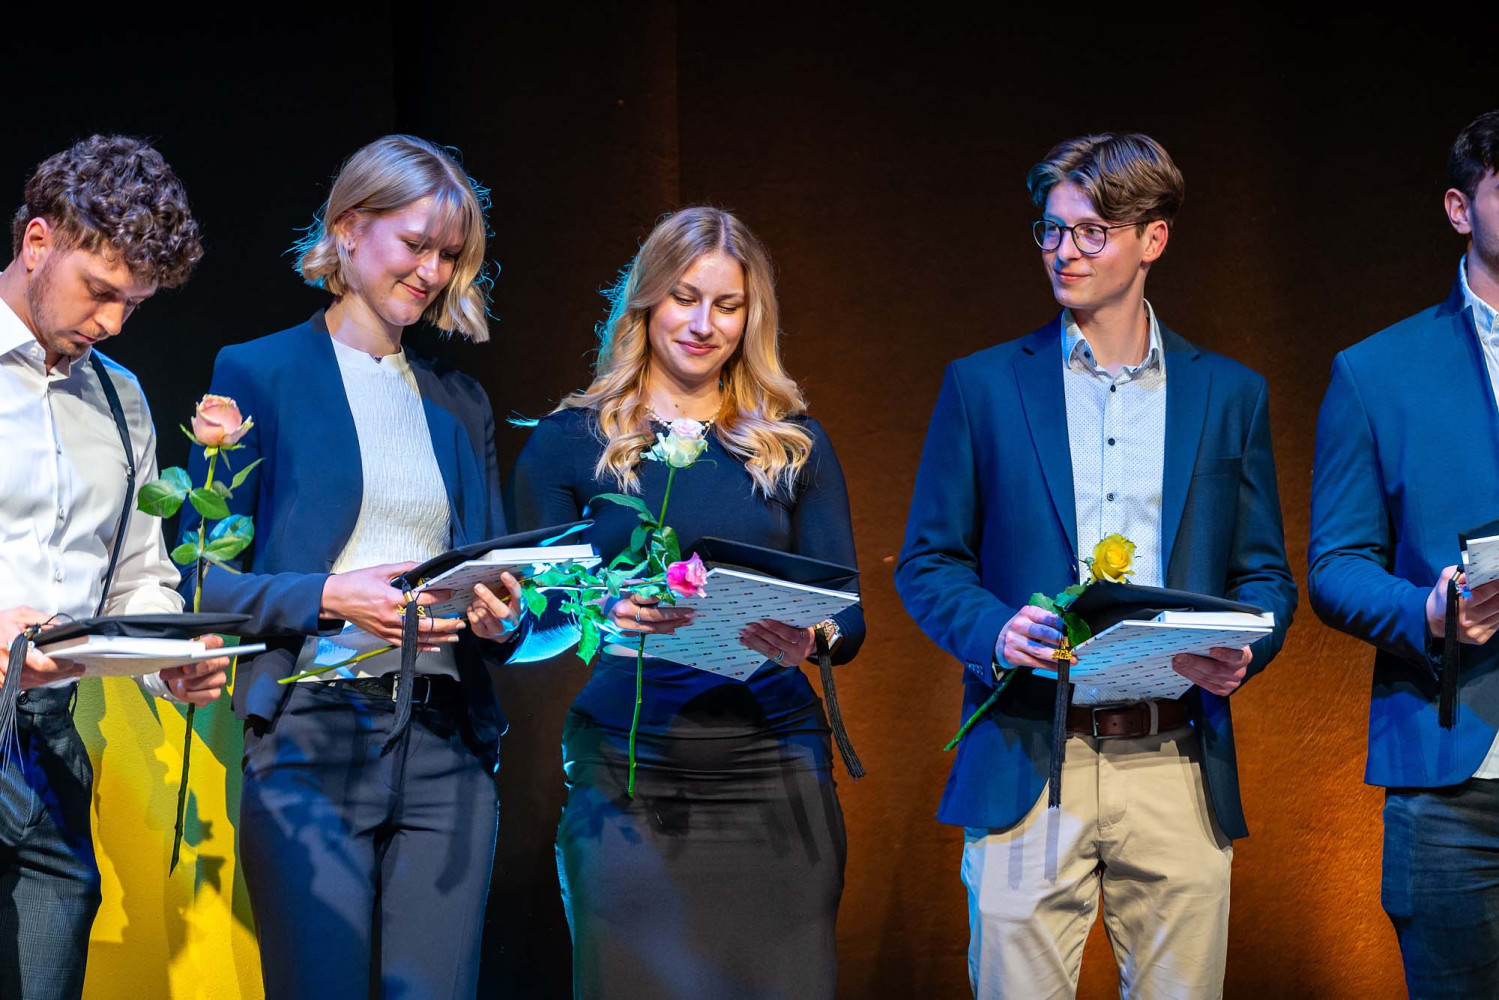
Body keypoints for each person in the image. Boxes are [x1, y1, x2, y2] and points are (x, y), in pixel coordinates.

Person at [895, 133, 1296, 998]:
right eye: (1050, 229)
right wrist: (994, 632)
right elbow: (927, 561)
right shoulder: (984, 385)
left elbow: (1264, 576)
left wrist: (1243, 651)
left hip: (1174, 756)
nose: (1062, 251)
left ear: (1152, 239)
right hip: (1028, 753)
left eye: (1090, 232)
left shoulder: (1228, 393)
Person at [180, 135, 524, 999]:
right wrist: (332, 596)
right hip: (312, 735)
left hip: (446, 742)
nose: (431, 271)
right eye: (415, 244)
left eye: (448, 255)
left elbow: (498, 569)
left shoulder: (460, 401)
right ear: (347, 230)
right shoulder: (256, 373)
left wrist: (503, 615)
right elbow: (200, 580)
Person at [511, 206, 864, 1000]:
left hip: (771, 760)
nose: (703, 324)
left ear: (751, 317)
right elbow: (528, 621)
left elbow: (846, 613)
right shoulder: (568, 441)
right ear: (646, 301)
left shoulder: (791, 441)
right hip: (629, 766)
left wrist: (810, 639)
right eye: (684, 298)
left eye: (727, 306)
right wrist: (599, 612)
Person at [0, 135, 227, 1000]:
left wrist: (172, 657)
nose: (111, 323)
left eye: (133, 304)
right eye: (100, 291)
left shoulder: (118, 394)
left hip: (48, 739)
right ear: (38, 242)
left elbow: (137, 571)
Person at [1308, 109, 1499, 998]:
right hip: (1453, 775)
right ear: (1459, 209)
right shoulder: (1376, 371)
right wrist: (1426, 611)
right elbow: (1336, 566)